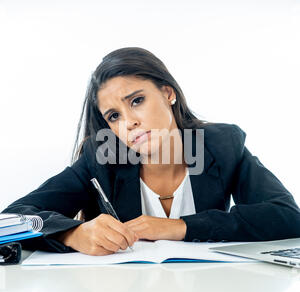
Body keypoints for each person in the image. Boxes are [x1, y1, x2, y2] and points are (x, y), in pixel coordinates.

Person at [1, 47, 300, 256]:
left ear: (168, 93)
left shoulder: (221, 145)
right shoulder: (102, 158)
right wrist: (71, 233)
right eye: (114, 116)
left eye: (137, 100)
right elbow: (12, 219)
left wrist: (179, 227)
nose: (129, 122)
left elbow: (287, 216)